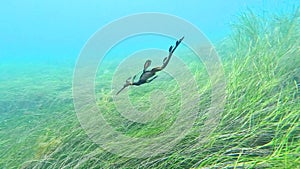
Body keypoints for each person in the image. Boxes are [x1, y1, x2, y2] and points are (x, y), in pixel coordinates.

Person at [116, 36, 184, 95]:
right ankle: (170, 53)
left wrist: (127, 84)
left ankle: (170, 54)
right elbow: (147, 80)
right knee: (162, 67)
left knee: (162, 67)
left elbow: (143, 76)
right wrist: (153, 77)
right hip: (151, 72)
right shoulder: (139, 82)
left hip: (150, 72)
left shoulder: (139, 81)